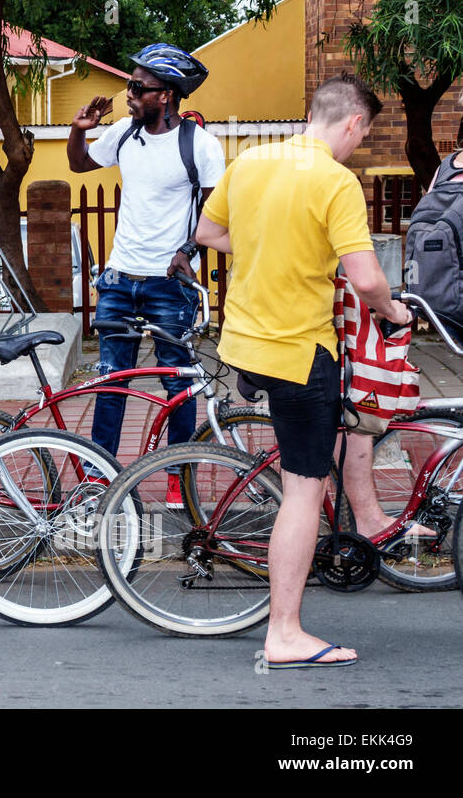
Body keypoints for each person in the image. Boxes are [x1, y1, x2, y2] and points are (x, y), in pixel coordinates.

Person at [195, 72, 414, 669]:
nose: (357, 145)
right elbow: (367, 278)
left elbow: (207, 231)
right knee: (303, 489)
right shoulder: (335, 181)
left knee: (303, 473)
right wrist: (392, 312)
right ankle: (284, 633)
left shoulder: (250, 163)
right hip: (298, 351)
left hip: (243, 342)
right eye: (362, 134)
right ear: (352, 123)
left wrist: (271, 247)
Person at [68, 44, 226, 505]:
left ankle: (179, 475)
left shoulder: (200, 145)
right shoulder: (122, 133)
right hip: (119, 280)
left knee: (178, 383)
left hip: (168, 286)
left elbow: (217, 213)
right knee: (111, 381)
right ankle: (100, 477)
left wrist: (189, 250)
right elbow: (78, 164)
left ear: (167, 95)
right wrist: (79, 132)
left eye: (139, 87)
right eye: (129, 84)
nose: (129, 94)